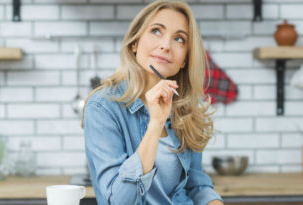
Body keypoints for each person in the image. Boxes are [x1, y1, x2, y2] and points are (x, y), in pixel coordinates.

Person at [82, 0, 224, 204]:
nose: (166, 45)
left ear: (184, 59)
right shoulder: (102, 106)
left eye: (179, 39)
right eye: (156, 31)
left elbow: (197, 185)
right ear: (135, 42)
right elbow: (118, 201)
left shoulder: (185, 109)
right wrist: (156, 124)